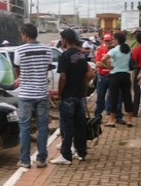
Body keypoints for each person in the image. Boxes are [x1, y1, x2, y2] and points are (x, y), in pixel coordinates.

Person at [50, 29, 92, 165]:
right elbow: (86, 77)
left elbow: (62, 77)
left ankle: (66, 156)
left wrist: (60, 93)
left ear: (65, 40)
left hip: (68, 96)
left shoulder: (64, 56)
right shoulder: (82, 55)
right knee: (80, 125)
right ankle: (81, 152)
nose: (61, 41)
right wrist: (84, 93)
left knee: (67, 127)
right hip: (80, 95)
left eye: (61, 39)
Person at [13, 23, 52, 168]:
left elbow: (17, 69)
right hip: (42, 93)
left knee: (24, 127)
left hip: (26, 94)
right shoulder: (47, 49)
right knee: (43, 127)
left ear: (25, 35)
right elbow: (46, 68)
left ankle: (24, 160)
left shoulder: (19, 50)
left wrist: (24, 77)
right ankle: (41, 160)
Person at [101, 33, 134, 127]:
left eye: (113, 39)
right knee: (127, 97)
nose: (112, 41)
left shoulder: (114, 50)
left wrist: (109, 66)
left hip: (115, 76)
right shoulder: (128, 49)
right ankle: (129, 120)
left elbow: (103, 59)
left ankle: (112, 120)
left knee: (114, 98)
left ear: (117, 40)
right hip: (126, 76)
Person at [94, 34, 125, 124]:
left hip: (113, 77)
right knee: (100, 98)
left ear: (112, 40)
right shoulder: (101, 50)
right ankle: (97, 117)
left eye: (109, 40)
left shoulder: (116, 51)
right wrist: (109, 65)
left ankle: (118, 117)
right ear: (103, 41)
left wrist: (106, 64)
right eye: (106, 41)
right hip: (102, 77)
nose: (108, 42)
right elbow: (97, 64)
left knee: (117, 98)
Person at [131, 31, 141, 117]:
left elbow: (134, 61)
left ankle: (135, 111)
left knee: (137, 91)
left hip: (139, 72)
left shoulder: (137, 50)